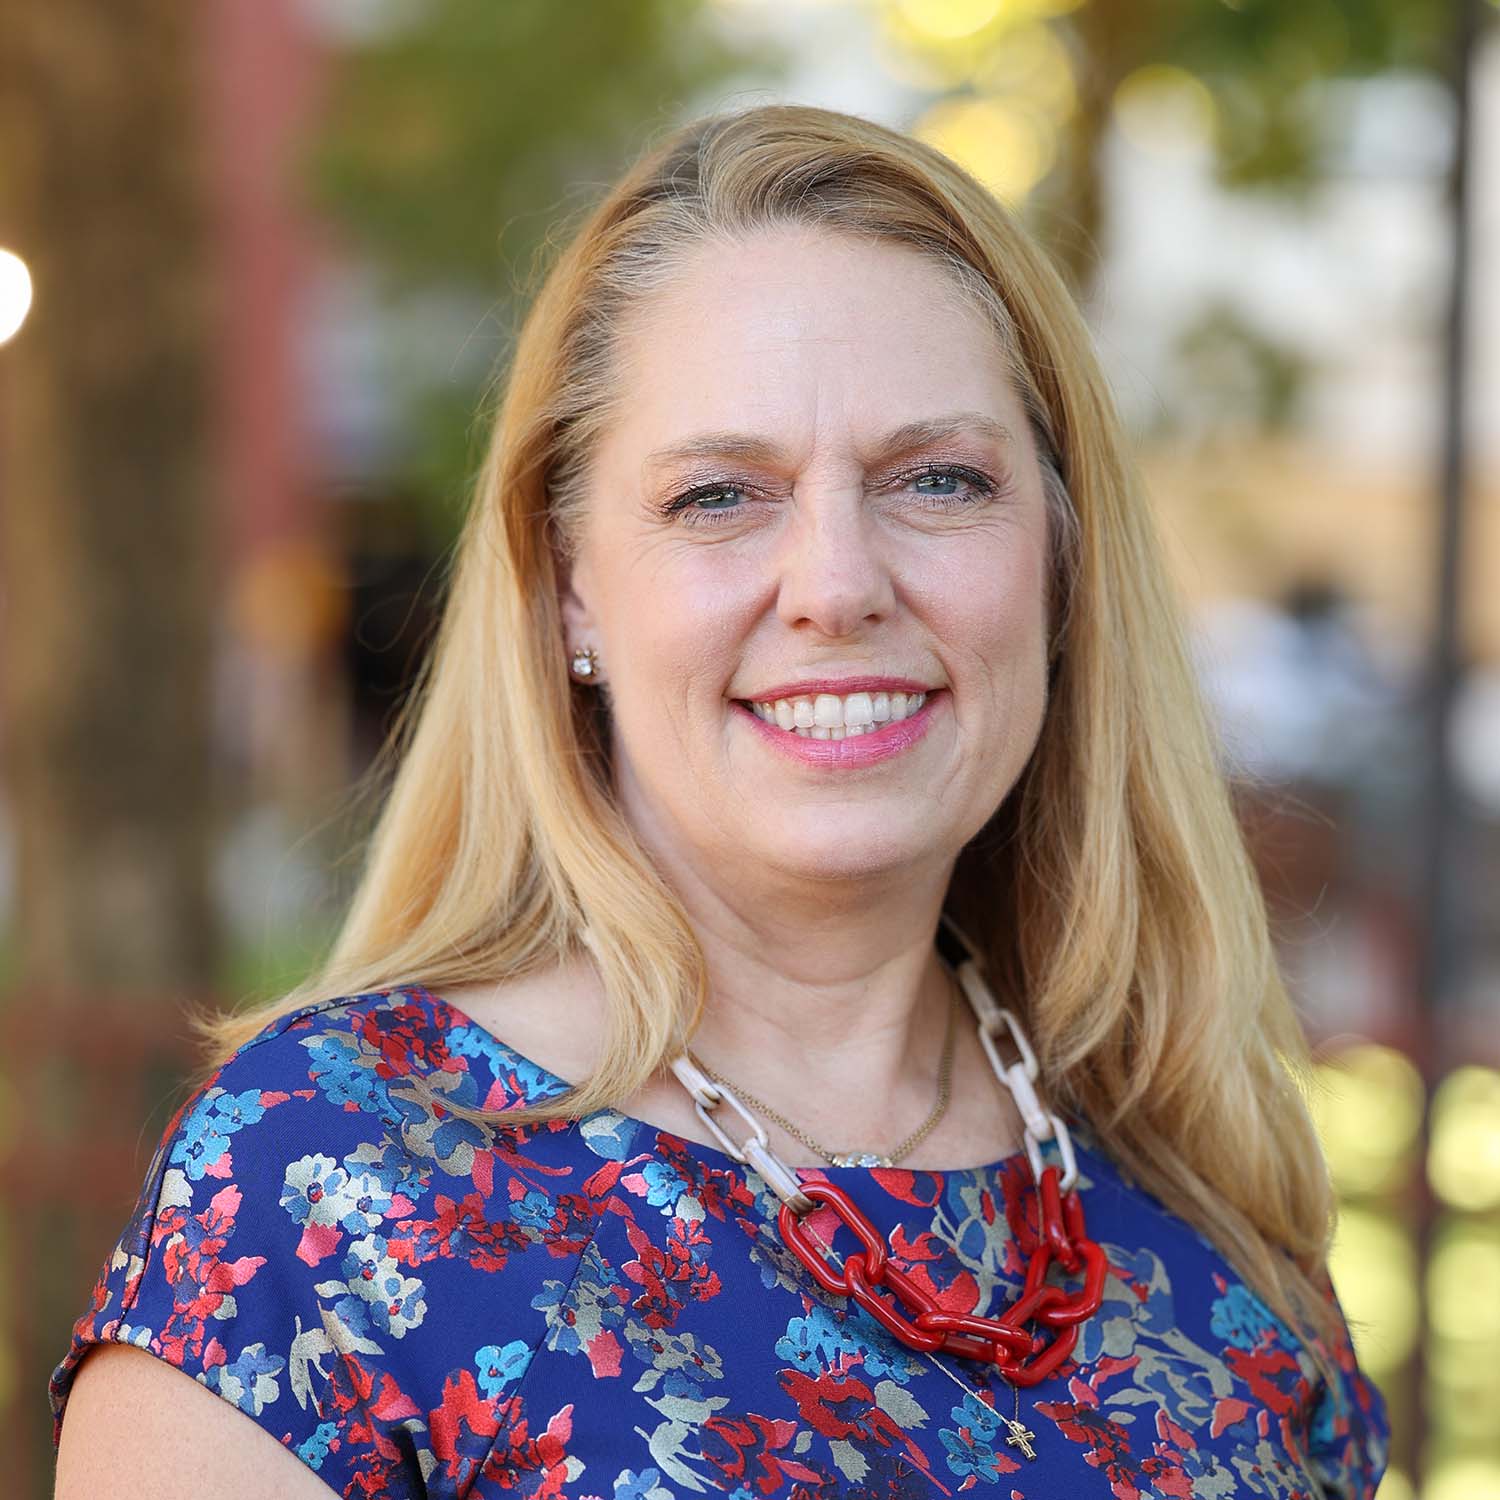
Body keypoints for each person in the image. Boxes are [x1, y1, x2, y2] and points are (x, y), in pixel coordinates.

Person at [50, 103, 1390, 1498]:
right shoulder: (323, 1190)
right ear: (569, 586)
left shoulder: (1204, 1213)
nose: (835, 584)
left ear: (1059, 561)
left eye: (936, 479)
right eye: (718, 497)